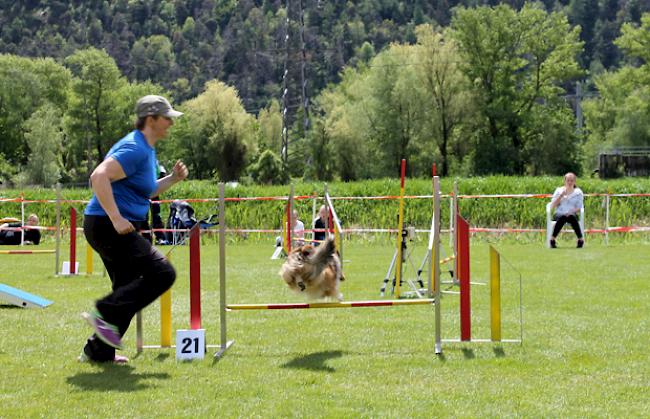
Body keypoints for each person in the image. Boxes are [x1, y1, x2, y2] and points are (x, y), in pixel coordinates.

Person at [80, 95, 187, 364]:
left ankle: (98, 352)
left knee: (127, 286)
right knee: (162, 273)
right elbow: (98, 176)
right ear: (150, 120)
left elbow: (146, 190)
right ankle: (104, 311)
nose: (170, 124)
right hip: (109, 225)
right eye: (166, 118)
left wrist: (173, 179)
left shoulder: (147, 150)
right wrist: (115, 217)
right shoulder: (135, 148)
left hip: (111, 225)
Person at [549, 172, 584, 248]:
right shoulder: (559, 190)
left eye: (572, 180)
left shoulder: (578, 192)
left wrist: (571, 211)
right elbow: (553, 205)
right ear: (564, 181)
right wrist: (561, 196)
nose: (570, 182)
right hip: (559, 213)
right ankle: (552, 239)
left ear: (574, 181)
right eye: (568, 180)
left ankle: (580, 240)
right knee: (563, 217)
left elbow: (579, 207)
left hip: (572, 213)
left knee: (571, 216)